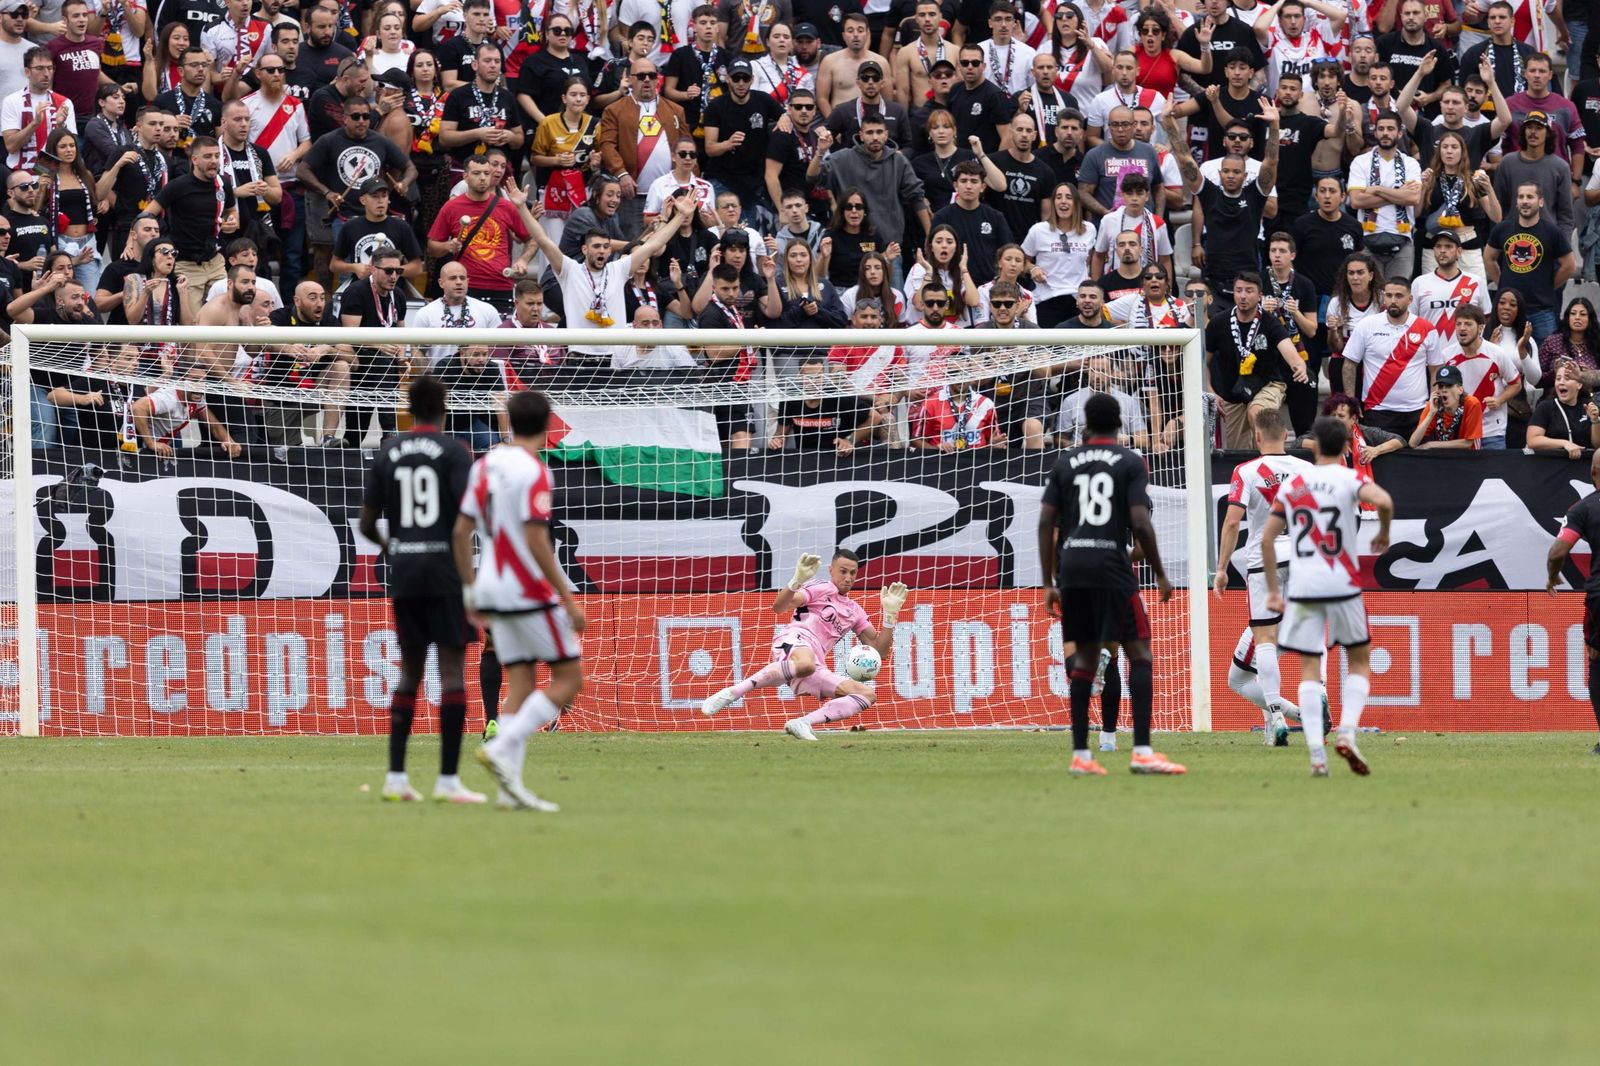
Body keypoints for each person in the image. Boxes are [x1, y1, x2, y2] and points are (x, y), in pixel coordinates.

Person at [1038, 391, 1180, 777]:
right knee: (1139, 654)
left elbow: (1045, 523)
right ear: (1119, 424)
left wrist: (1050, 580)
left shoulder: (1065, 462)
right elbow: (1140, 521)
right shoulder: (1131, 461)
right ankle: (1142, 751)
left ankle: (1082, 756)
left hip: (1073, 567)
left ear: (1084, 424)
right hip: (1113, 566)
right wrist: (1161, 572)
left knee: (1082, 661)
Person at [357, 374, 482, 805]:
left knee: (409, 672)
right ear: (443, 407)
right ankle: (448, 781)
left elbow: (367, 524)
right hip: (446, 572)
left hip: (406, 573)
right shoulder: (453, 451)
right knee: (450, 673)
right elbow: (468, 520)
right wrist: (470, 582)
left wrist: (395, 548)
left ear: (409, 408)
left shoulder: (388, 450)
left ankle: (395, 777)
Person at [453, 390, 580, 812]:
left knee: (521, 681)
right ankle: (501, 745)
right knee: (568, 678)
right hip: (525, 587)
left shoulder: (485, 465)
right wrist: (567, 595)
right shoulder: (537, 471)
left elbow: (459, 532)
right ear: (546, 426)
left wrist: (471, 590)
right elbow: (534, 538)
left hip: (489, 585)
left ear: (508, 424)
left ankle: (511, 790)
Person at [1261, 415, 1394, 778]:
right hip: (1343, 583)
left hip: (1304, 586)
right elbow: (1383, 499)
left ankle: (1317, 755)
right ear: (1348, 448)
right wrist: (1383, 532)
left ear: (1315, 445)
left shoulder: (1294, 486)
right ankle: (1348, 732)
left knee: (1307, 669)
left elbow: (1267, 539)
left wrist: (1274, 590)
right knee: (1359, 662)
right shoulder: (1349, 478)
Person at [701, 548, 907, 741]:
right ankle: (731, 693)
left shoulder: (855, 611)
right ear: (831, 570)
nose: (848, 578)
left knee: (866, 694)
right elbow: (780, 607)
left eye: (853, 573)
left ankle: (803, 722)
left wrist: (890, 616)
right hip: (796, 639)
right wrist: (796, 581)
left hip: (816, 661)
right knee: (805, 663)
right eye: (843, 571)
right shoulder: (821, 587)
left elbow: (880, 652)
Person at [1214, 407, 1313, 745]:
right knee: (1296, 639)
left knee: (1264, 640)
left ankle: (1275, 714)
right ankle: (1304, 710)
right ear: (1286, 434)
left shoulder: (1247, 471)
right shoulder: (1306, 468)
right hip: (1302, 561)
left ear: (1256, 436)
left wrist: (1223, 568)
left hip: (1263, 561)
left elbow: (1231, 521)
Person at [1163, 103, 1279, 301]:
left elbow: (1271, 160)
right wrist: (1168, 122)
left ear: (1245, 175)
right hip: (1213, 275)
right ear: (1219, 173)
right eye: (1226, 171)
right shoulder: (1210, 193)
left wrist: (1275, 125)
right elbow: (1184, 158)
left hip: (1247, 277)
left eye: (1236, 172)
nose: (1231, 176)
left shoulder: (1255, 195)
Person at [1209, 271, 1310, 449]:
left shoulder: (1270, 322)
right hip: (1232, 394)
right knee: (1237, 451)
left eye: (1249, 291)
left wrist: (1299, 366)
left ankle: (1273, 457)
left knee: (1257, 412)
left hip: (1268, 385)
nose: (1243, 296)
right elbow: (1203, 362)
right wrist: (1211, 392)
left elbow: (1290, 352)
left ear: (1260, 296)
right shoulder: (1218, 322)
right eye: (1238, 290)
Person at [599, 56, 692, 239]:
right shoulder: (614, 110)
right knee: (635, 247)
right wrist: (621, 173)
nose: (647, 80)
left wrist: (689, 184)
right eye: (641, 76)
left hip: (670, 195)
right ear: (630, 79)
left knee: (669, 245)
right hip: (633, 196)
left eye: (651, 75)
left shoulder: (676, 110)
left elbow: (687, 148)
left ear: (658, 79)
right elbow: (607, 145)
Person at [1545, 448, 1600, 755]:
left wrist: (1552, 577)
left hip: (1598, 595)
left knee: (1597, 658)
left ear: (1592, 473)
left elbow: (1557, 552)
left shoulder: (1584, 508)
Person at [148, 136, 239, 321]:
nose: (214, 161)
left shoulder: (223, 184)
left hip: (215, 261)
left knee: (227, 317)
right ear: (194, 159)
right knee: (191, 324)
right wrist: (138, 241)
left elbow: (232, 211)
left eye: (216, 155)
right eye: (207, 156)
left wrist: (232, 221)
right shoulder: (178, 185)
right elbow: (148, 214)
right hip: (186, 263)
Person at [1484, 180, 1578, 342]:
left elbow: (1569, 266)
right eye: (1521, 197)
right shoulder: (1502, 228)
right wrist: (1502, 283)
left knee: (1546, 360)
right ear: (1516, 202)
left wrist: (1549, 286)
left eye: (1530, 197)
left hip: (1541, 310)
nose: (1525, 201)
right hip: (1508, 309)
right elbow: (1489, 258)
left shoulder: (1552, 231)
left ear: (1540, 201)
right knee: (1505, 359)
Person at [1436, 304, 1524, 450]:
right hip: (1460, 430)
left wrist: (1499, 400)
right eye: (1458, 324)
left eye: (1468, 324)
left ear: (1480, 328)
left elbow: (1516, 384)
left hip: (1491, 431)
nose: (1462, 328)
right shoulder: (1447, 355)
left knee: (1494, 473)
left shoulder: (1497, 353)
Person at [1023, 182, 1095, 326]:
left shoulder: (1089, 229)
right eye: (1058, 197)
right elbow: (1022, 261)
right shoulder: (1038, 230)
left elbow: (1090, 261)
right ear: (1053, 202)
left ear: (1076, 202)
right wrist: (1033, 269)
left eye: (1068, 197)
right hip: (1047, 299)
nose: (1063, 201)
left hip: (1078, 301)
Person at [769, 356, 873, 452]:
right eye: (809, 377)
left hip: (840, 456)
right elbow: (780, 434)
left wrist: (849, 441)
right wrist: (776, 441)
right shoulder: (791, 399)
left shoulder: (839, 397)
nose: (814, 382)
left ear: (824, 376)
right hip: (805, 458)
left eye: (818, 377)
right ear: (799, 377)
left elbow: (874, 418)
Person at [1527, 358, 1599, 457]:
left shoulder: (1589, 405)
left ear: (1579, 384)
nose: (1561, 382)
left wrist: (1595, 421)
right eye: (1558, 378)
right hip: (1553, 466)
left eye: (1567, 378)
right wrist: (1564, 443)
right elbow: (1532, 441)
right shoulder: (1545, 407)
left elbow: (1597, 445)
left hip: (1583, 466)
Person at [1408, 362, 1484, 449]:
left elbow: (1468, 443)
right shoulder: (1433, 405)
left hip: (1468, 456)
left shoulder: (1472, 403)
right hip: (1444, 456)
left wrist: (1431, 444)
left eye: (1449, 386)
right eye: (1440, 386)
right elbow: (1413, 443)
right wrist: (1431, 414)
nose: (1444, 390)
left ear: (1460, 389)